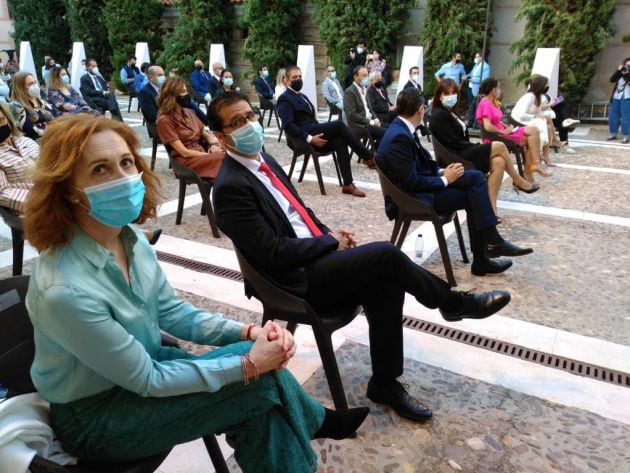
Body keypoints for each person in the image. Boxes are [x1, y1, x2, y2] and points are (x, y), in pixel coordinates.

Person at [23, 114, 368, 472]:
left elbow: (171, 311)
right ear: (66, 189)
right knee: (256, 385)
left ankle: (310, 420)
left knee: (257, 390)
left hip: (149, 367)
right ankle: (314, 420)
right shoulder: (63, 290)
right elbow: (147, 379)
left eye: (126, 162)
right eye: (99, 169)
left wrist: (249, 333)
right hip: (97, 417)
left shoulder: (129, 240)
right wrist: (250, 365)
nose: (123, 178)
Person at [210, 91, 512, 423]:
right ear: (222, 137)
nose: (249, 125)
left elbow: (298, 212)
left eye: (250, 116)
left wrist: (328, 234)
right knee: (385, 255)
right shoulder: (229, 187)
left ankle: (384, 383)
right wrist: (327, 243)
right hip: (294, 279)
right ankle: (452, 303)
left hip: (315, 260)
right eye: (237, 122)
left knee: (386, 280)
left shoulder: (264, 159)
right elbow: (272, 253)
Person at [378, 87, 533, 274]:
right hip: (413, 197)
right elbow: (412, 182)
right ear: (420, 109)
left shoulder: (401, 128)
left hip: (419, 188)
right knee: (474, 191)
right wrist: (445, 180)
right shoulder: (400, 136)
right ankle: (486, 250)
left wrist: (444, 171)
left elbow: (422, 166)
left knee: (476, 181)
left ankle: (489, 246)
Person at [431, 78, 540, 217]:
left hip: (462, 150)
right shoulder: (439, 115)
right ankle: (518, 180)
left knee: (499, 162)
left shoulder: (451, 112)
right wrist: (476, 147)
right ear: (439, 95)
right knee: (500, 146)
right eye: (447, 94)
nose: (451, 97)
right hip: (457, 156)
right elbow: (453, 142)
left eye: (454, 93)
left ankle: (491, 211)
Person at [276, 65, 373, 197]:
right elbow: (287, 125)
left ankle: (348, 184)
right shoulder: (284, 99)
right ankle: (368, 156)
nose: (298, 79)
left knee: (340, 140)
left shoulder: (302, 96)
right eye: (294, 77)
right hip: (304, 137)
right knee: (339, 125)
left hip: (314, 130)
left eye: (299, 76)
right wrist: (310, 139)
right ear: (286, 80)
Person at [476, 77, 548, 186]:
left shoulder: (493, 102)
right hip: (497, 135)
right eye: (498, 88)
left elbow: (497, 120)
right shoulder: (485, 103)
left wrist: (507, 126)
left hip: (503, 131)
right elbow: (488, 126)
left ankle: (534, 166)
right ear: (493, 90)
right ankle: (530, 171)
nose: (500, 90)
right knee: (531, 139)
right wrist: (504, 132)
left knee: (534, 131)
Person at [156, 76, 224, 179]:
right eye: (183, 92)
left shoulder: (190, 112)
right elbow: (184, 152)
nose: (186, 94)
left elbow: (205, 134)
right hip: (186, 160)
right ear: (173, 95)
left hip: (201, 152)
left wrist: (214, 145)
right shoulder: (164, 120)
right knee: (224, 158)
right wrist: (208, 155)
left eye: (186, 91)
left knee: (232, 153)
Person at [511, 74, 556, 169]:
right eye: (546, 84)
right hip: (519, 120)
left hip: (528, 119)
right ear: (541, 85)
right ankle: (538, 157)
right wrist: (536, 116)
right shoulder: (529, 97)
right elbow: (520, 115)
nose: (547, 86)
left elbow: (539, 111)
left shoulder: (539, 97)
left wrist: (540, 115)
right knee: (542, 124)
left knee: (547, 126)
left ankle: (543, 155)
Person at [0, 102, 38, 213]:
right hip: (36, 207)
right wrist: (41, 202)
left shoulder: (25, 141)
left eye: (1, 120)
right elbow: (3, 192)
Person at [343, 66, 387, 146]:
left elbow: (370, 108)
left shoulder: (364, 89)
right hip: (360, 125)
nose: (366, 78)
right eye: (364, 76)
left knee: (392, 129)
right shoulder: (349, 92)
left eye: (367, 75)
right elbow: (352, 114)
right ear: (355, 77)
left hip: (369, 121)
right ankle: (374, 154)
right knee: (386, 134)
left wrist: (376, 118)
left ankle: (375, 151)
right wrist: (370, 122)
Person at [9, 71, 58, 140]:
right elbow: (30, 130)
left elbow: (55, 115)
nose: (34, 86)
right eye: (30, 84)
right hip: (39, 141)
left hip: (54, 134)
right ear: (20, 87)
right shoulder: (15, 105)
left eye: (35, 82)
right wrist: (52, 126)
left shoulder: (40, 99)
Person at [607, 57, 630, 143]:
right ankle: (613, 134)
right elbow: (611, 80)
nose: (627, 67)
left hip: (627, 97)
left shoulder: (627, 74)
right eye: (626, 65)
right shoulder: (620, 73)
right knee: (613, 116)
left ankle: (625, 136)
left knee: (625, 117)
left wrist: (627, 74)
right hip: (616, 96)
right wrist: (618, 71)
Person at [466, 52, 491, 127]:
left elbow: (484, 79)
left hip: (477, 89)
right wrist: (466, 77)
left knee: (477, 106)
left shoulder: (486, 67)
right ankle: (470, 122)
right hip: (471, 87)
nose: (476, 59)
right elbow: (471, 74)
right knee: (470, 105)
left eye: (478, 57)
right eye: (476, 57)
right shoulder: (476, 65)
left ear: (482, 57)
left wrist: (473, 80)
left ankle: (477, 124)